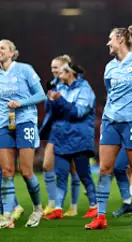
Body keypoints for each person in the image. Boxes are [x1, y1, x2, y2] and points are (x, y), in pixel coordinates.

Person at [85, 26, 132, 231]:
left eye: (110, 39)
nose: (108, 43)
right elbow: (109, 91)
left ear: (121, 39)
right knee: (105, 169)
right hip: (110, 121)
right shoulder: (109, 67)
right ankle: (101, 217)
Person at [0, 39, 46, 229]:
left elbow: (41, 95)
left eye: (2, 48)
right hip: (4, 124)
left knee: (26, 170)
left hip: (25, 121)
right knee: (6, 172)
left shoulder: (25, 70)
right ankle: (7, 217)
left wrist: (20, 104)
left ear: (12, 53)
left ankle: (37, 208)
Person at [43, 60, 98, 220]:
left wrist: (59, 100)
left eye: (61, 72)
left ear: (70, 73)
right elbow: (50, 111)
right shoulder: (58, 87)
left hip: (79, 138)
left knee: (83, 174)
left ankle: (94, 206)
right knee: (61, 175)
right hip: (62, 136)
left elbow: (77, 113)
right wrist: (50, 98)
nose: (58, 74)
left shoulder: (84, 89)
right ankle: (58, 209)